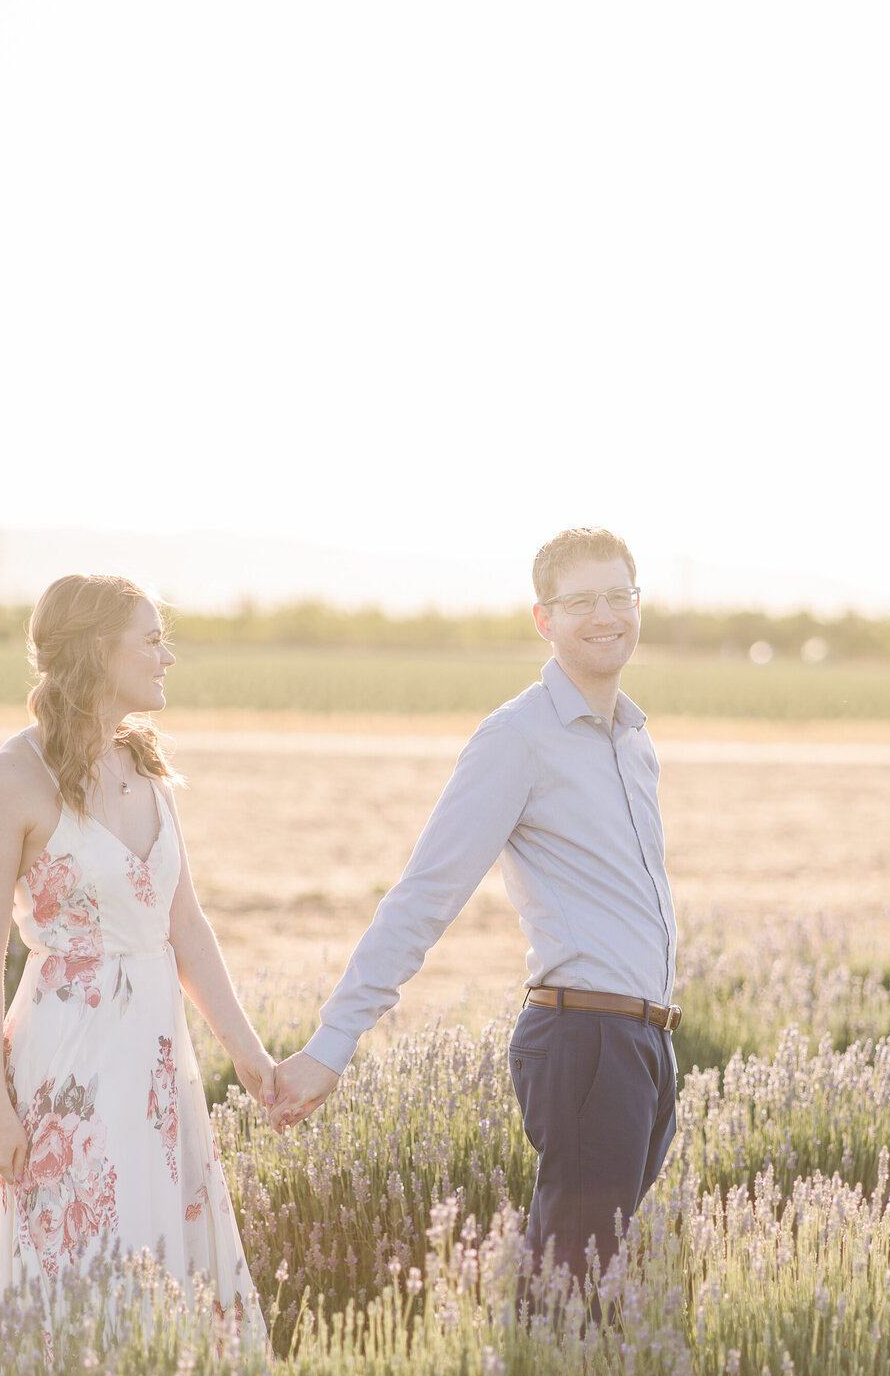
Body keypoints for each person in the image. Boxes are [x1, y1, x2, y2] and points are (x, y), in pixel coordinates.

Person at [270, 527, 680, 1289]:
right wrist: (333, 1043)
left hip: (646, 1043)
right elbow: (426, 893)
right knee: (567, 1292)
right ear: (543, 619)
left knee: (590, 1289)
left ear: (638, 604)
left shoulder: (634, 739)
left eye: (617, 595)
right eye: (580, 601)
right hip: (586, 1041)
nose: (604, 615)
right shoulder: (517, 737)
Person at [0, 573, 273, 1343]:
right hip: (67, 1072)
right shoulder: (10, 779)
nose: (168, 657)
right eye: (152, 640)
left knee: (163, 1271)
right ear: (100, 651)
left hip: (159, 1073)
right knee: (77, 1278)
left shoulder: (147, 770)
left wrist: (253, 1059)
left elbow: (185, 926)